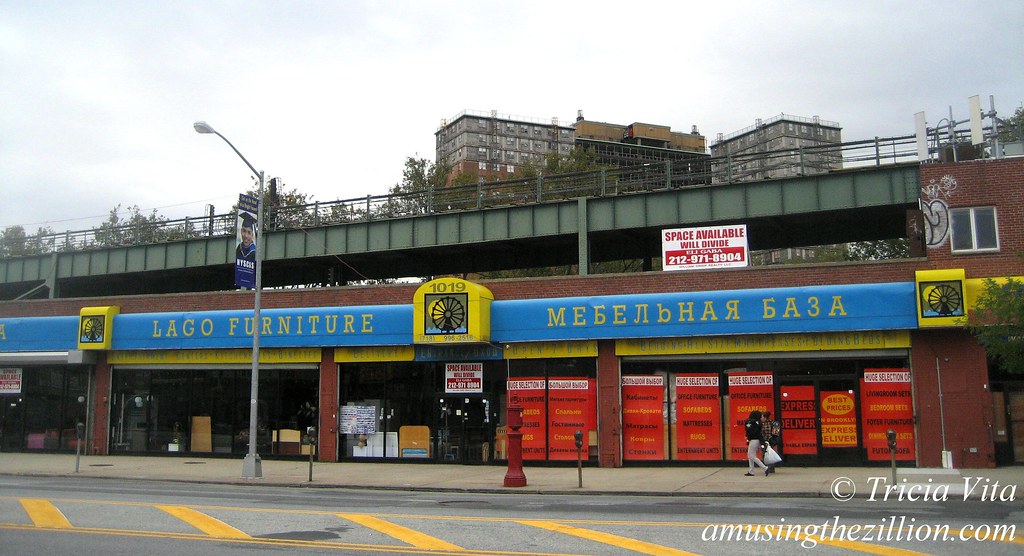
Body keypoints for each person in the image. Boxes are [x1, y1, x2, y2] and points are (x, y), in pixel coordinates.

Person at [744, 410, 769, 476]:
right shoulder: (758, 422)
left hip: (753, 439)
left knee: (751, 456)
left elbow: (748, 431)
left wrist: (748, 438)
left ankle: (765, 467)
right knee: (751, 456)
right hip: (757, 439)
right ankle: (751, 471)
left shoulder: (750, 421)